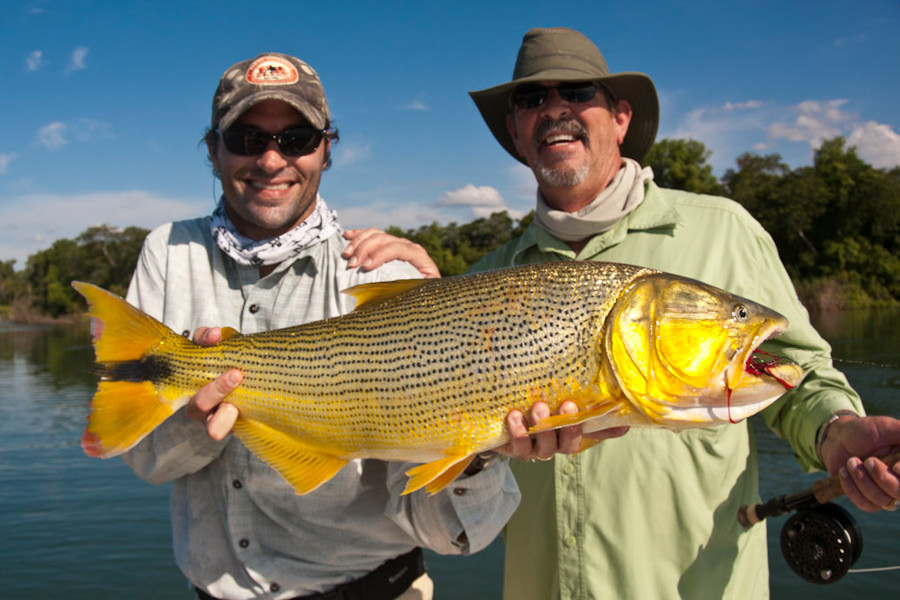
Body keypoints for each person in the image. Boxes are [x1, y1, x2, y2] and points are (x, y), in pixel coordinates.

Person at [467, 27, 900, 599]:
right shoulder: (480, 281)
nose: (554, 110)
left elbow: (794, 375)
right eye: (531, 99)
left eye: (576, 92)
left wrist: (835, 431)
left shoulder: (724, 229)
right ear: (517, 133)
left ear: (620, 117)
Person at [120, 52, 520, 600]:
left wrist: (484, 445)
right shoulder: (166, 254)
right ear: (212, 150)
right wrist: (195, 419)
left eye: (297, 139)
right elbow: (144, 458)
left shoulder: (388, 271)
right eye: (245, 138)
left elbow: (449, 533)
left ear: (326, 150)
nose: (269, 159)